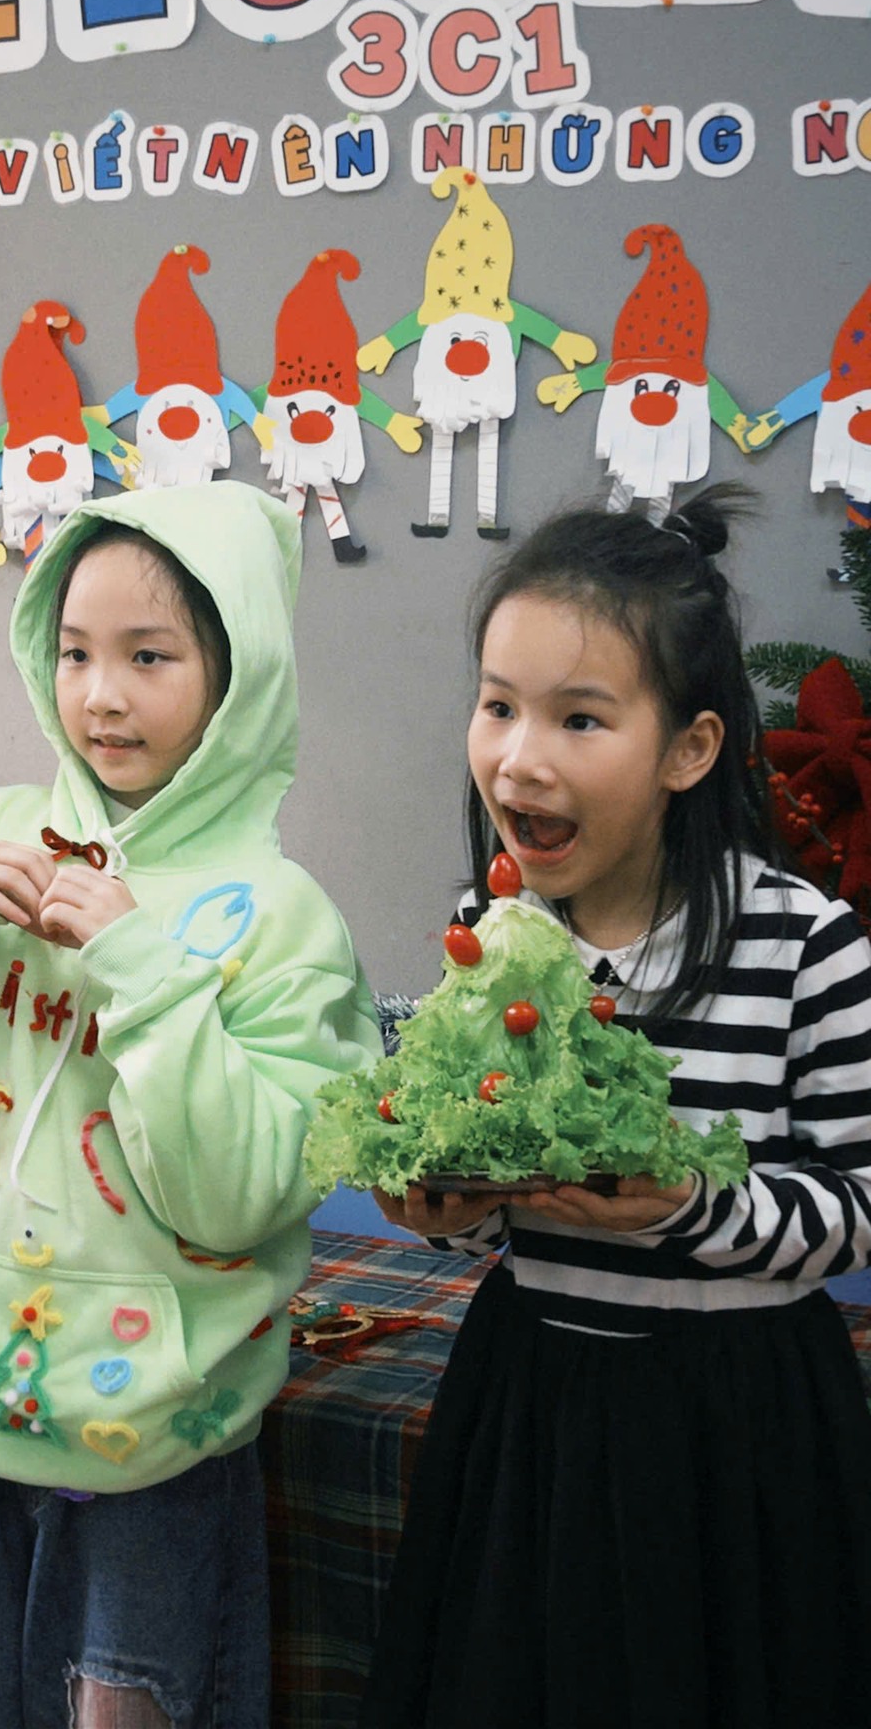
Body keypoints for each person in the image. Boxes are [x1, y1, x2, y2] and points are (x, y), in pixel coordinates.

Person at [0, 480, 378, 1728]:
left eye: (148, 656)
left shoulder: (284, 921)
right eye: (73, 652)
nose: (101, 694)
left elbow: (238, 1195)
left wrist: (142, 970)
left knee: (125, 1701)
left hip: (152, 1429)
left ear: (238, 674)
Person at [364, 483, 871, 1729]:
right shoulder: (491, 931)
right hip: (534, 1406)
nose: (518, 756)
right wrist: (448, 1207)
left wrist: (691, 1202)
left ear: (688, 750)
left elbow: (856, 1208)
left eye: (580, 716)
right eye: (498, 704)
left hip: (740, 1431)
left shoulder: (807, 946)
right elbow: (493, 1182)